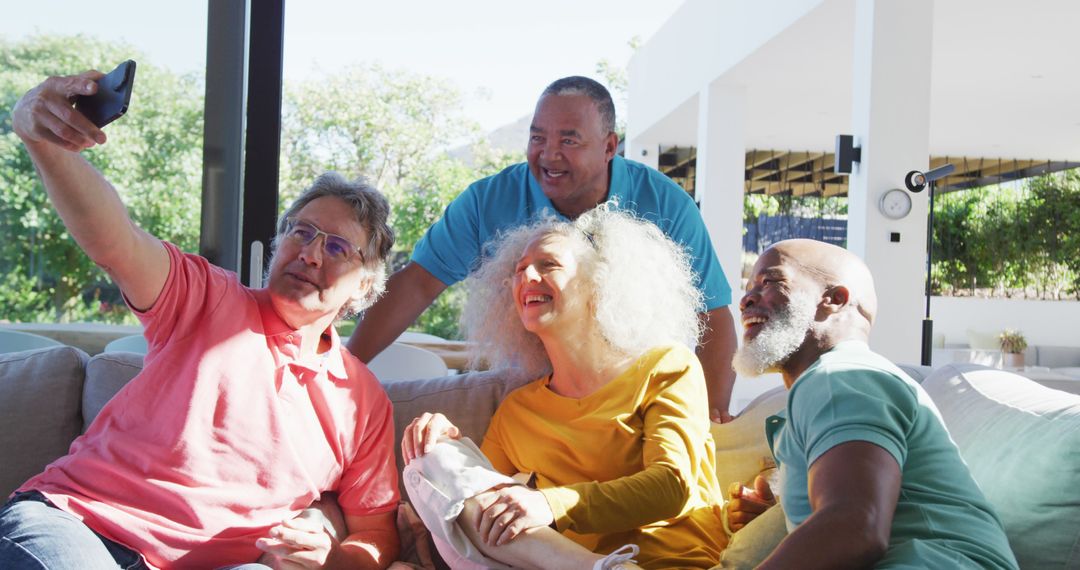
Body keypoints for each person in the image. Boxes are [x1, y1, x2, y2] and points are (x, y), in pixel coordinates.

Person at [0, 71, 400, 569]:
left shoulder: (363, 403)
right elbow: (117, 242)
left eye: (337, 247)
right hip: (78, 525)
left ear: (365, 286)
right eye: (301, 232)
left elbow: (376, 534)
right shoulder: (209, 297)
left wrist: (330, 558)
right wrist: (46, 144)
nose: (310, 254)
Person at [347, 76, 741, 422]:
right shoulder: (487, 201)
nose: (549, 154)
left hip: (635, 396)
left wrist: (706, 419)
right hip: (525, 392)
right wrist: (341, 370)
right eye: (538, 138)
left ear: (609, 147)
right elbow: (416, 284)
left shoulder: (665, 204)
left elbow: (714, 315)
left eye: (569, 140)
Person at [400, 208, 728, 570]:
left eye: (549, 264)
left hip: (668, 561)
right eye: (518, 269)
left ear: (600, 282)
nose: (526, 274)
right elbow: (476, 502)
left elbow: (672, 486)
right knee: (434, 461)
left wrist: (550, 505)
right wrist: (453, 444)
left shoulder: (666, 365)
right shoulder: (518, 410)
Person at [728, 239, 1018, 568]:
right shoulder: (839, 381)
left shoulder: (839, 378)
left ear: (835, 300)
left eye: (770, 282)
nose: (746, 299)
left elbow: (855, 527)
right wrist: (783, 519)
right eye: (749, 287)